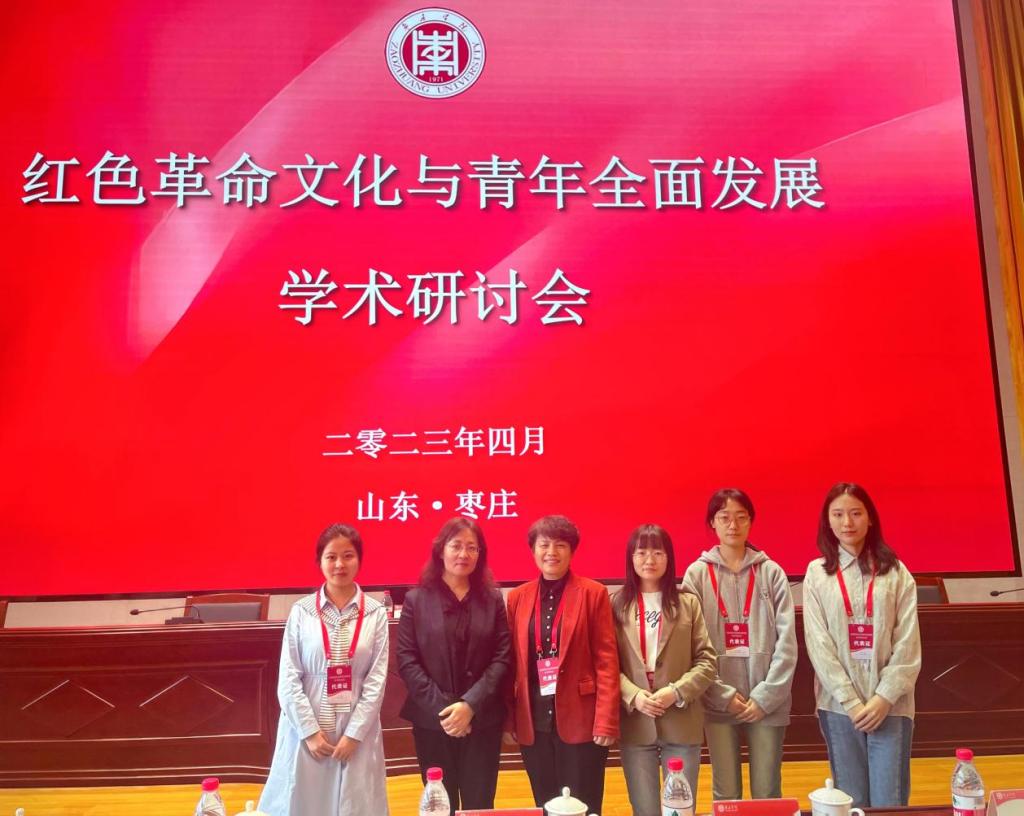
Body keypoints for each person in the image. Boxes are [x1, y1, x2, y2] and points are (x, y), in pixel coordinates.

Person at [803, 483, 921, 808]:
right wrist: (851, 702)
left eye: (856, 513)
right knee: (850, 801)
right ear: (828, 521)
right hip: (839, 706)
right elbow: (818, 644)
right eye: (838, 514)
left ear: (870, 519)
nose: (847, 522)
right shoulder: (817, 574)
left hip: (891, 706)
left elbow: (908, 644)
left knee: (889, 802)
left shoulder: (896, 573)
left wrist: (884, 698)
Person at [259, 524, 389, 816]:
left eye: (348, 556)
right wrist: (309, 732)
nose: (339, 564)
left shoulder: (375, 613)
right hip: (308, 724)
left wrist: (354, 734)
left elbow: (376, 681)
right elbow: (288, 679)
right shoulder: (302, 611)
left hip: (357, 725)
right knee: (302, 799)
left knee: (356, 803)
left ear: (359, 560)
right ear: (319, 561)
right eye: (331, 557)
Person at [682, 488, 798, 801]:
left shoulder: (771, 573)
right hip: (718, 702)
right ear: (712, 523)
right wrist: (721, 695)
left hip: (767, 703)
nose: (733, 525)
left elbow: (787, 644)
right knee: (726, 793)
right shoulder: (696, 575)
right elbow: (690, 645)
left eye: (741, 517)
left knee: (767, 791)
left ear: (750, 522)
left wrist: (765, 697)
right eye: (724, 518)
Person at [503, 515, 620, 816]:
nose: (551, 552)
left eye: (560, 545)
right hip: (534, 720)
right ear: (533, 550)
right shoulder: (517, 597)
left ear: (572, 551)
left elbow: (607, 661)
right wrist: (510, 719)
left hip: (582, 718)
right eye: (544, 545)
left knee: (584, 802)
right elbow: (511, 665)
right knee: (544, 801)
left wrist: (606, 720)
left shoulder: (593, 593)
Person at [397, 518, 512, 811]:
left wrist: (470, 705)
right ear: (441, 550)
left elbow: (502, 656)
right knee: (440, 804)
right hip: (433, 721)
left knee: (479, 802)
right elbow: (407, 660)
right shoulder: (416, 600)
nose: (464, 554)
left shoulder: (492, 600)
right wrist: (447, 712)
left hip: (482, 719)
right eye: (456, 546)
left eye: (472, 548)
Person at [614, 523, 717, 814]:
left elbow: (707, 661)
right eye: (642, 552)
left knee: (680, 810)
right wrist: (634, 695)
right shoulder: (616, 605)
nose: (650, 559)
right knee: (645, 810)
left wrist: (676, 692)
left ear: (669, 558)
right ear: (631, 558)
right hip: (636, 724)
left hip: (681, 722)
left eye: (658, 553)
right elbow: (607, 665)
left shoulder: (688, 603)